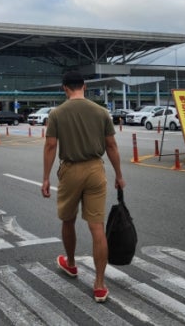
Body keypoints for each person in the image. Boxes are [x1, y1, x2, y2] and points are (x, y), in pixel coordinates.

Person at [41, 71, 125, 303]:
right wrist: (119, 175)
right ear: (84, 86)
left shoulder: (57, 113)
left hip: (70, 170)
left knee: (68, 220)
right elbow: (111, 145)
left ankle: (70, 263)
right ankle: (99, 285)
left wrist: (46, 178)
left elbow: (50, 146)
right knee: (97, 227)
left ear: (65, 88)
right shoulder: (101, 112)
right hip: (96, 169)